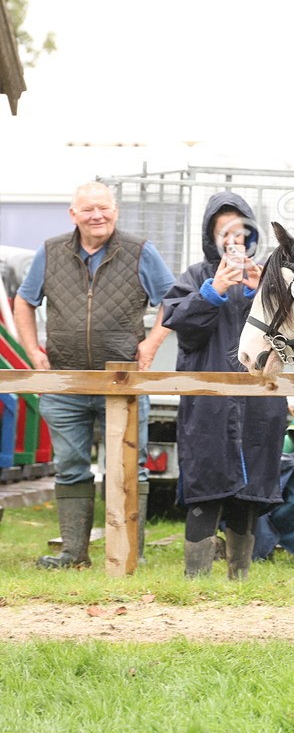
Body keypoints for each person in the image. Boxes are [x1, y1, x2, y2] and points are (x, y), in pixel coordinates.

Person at [13, 182, 175, 568]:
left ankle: (130, 552)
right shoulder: (50, 252)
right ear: (73, 215)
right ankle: (73, 554)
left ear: (115, 211)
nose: (96, 216)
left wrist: (150, 345)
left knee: (127, 467)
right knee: (69, 466)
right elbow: (24, 300)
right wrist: (33, 351)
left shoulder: (139, 250)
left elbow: (173, 299)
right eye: (87, 210)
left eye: (103, 208)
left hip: (122, 381)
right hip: (65, 381)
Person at [162, 193, 288, 579]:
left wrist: (258, 293)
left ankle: (240, 578)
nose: (233, 240)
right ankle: (194, 580)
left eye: (240, 231)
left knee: (248, 495)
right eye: (224, 232)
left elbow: (288, 336)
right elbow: (182, 329)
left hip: (259, 406)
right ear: (211, 237)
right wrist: (212, 292)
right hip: (208, 407)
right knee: (206, 487)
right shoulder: (196, 277)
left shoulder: (269, 280)